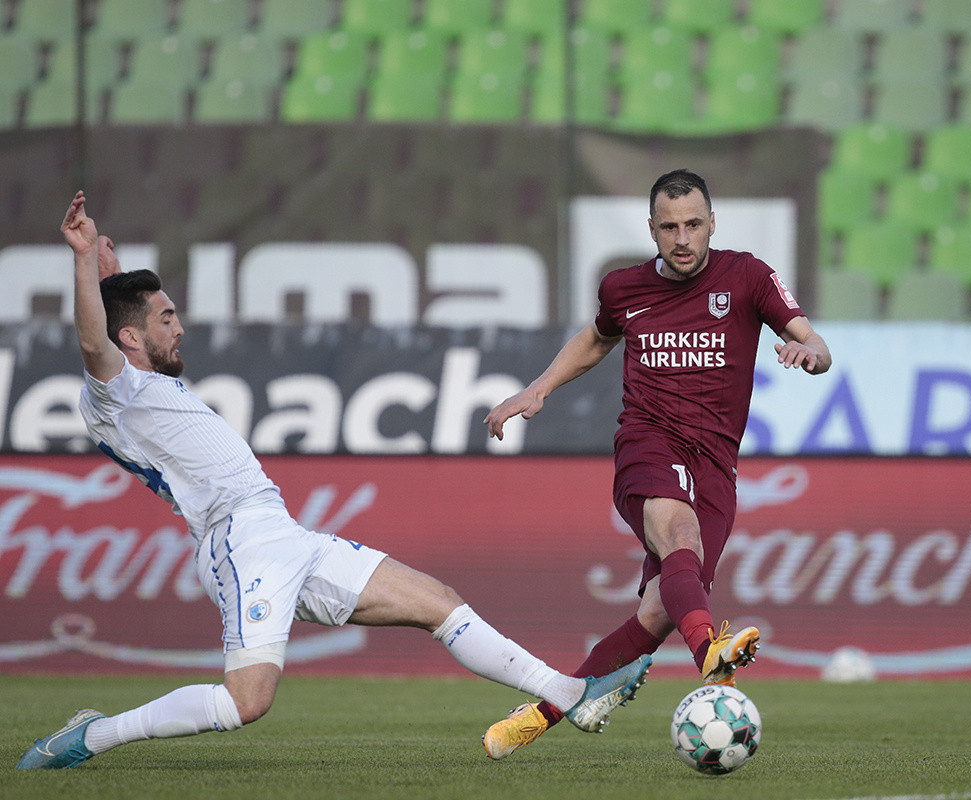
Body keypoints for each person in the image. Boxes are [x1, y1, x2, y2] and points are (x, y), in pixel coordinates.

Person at [16, 191, 651, 770]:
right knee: (246, 703)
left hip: (279, 533)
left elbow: (112, 331)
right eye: (165, 318)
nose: (178, 326)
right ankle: (92, 736)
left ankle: (568, 692)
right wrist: (81, 264)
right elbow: (97, 346)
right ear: (131, 336)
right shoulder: (112, 394)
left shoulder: (142, 382)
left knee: (436, 601)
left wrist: (109, 277)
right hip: (240, 541)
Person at [481, 169, 831, 760]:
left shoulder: (747, 276)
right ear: (651, 230)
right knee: (679, 534)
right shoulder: (623, 288)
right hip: (649, 444)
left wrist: (807, 352)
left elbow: (817, 347)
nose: (683, 238)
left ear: (712, 223)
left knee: (658, 612)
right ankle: (711, 657)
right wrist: (538, 389)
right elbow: (596, 338)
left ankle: (543, 712)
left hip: (716, 463)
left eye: (694, 224)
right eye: (669, 227)